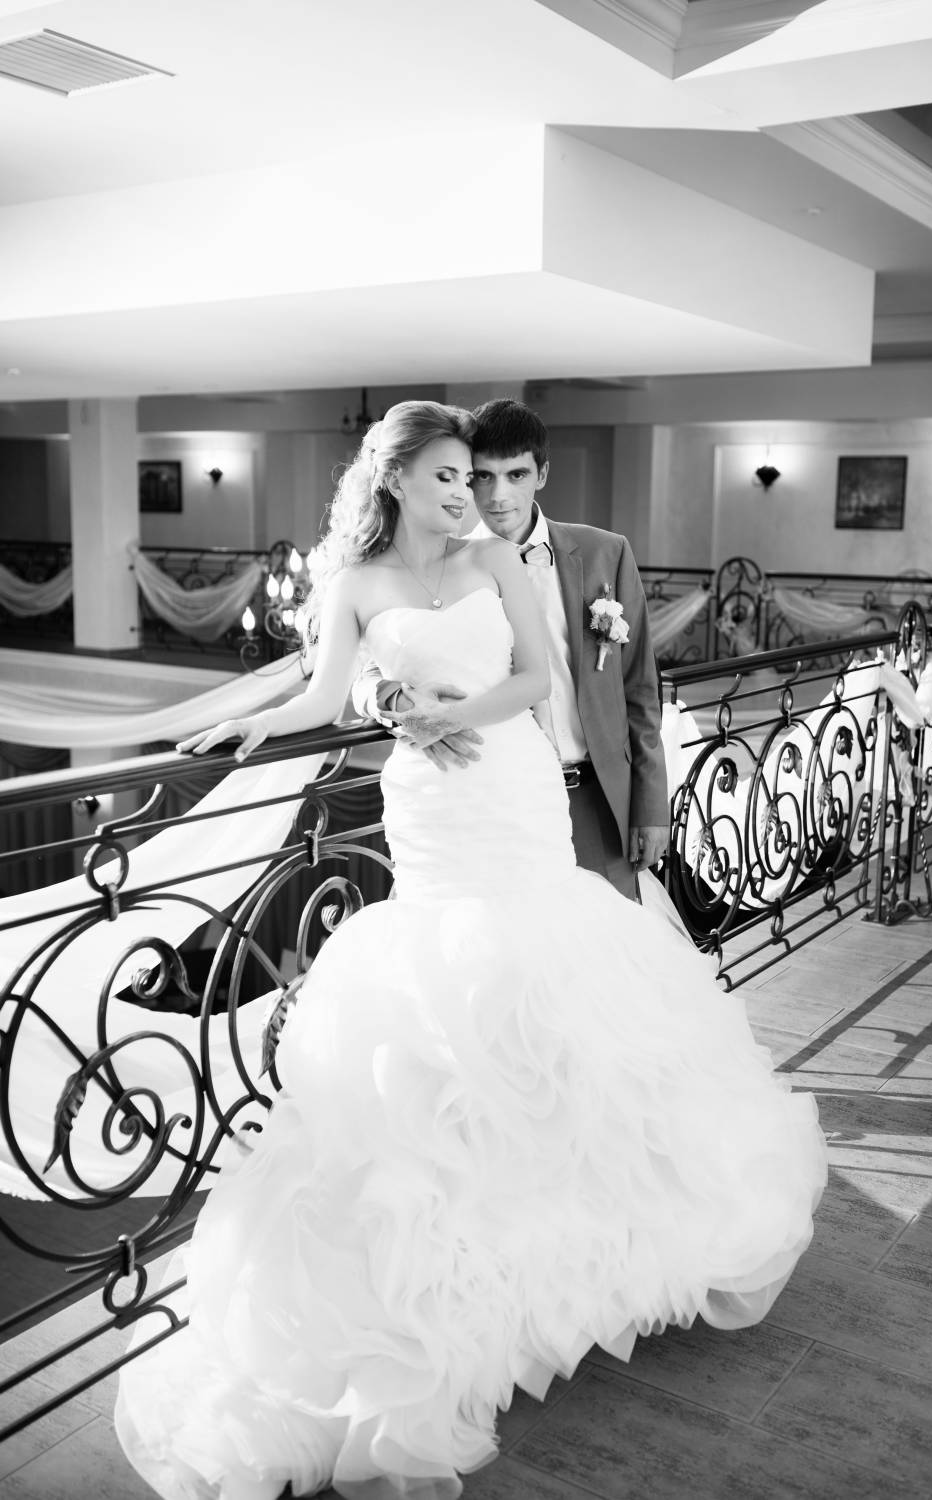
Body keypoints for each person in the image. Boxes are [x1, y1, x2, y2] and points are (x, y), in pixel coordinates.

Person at [115, 400, 826, 1500]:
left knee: (549, 993)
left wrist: (454, 717)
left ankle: (586, 1251)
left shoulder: (495, 559)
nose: (466, 495)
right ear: (395, 480)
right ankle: (460, 1283)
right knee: (443, 1014)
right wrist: (256, 727)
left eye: (473, 477)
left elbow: (538, 681)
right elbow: (323, 694)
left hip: (510, 791)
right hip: (434, 818)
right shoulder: (356, 584)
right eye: (447, 477)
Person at [352, 398, 669, 901]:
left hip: (597, 800)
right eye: (482, 476)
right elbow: (371, 663)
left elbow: (641, 691)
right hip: (489, 800)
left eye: (516, 475)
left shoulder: (605, 553)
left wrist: (650, 807)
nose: (498, 496)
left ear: (542, 474)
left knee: (596, 942)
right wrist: (388, 697)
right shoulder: (441, 560)